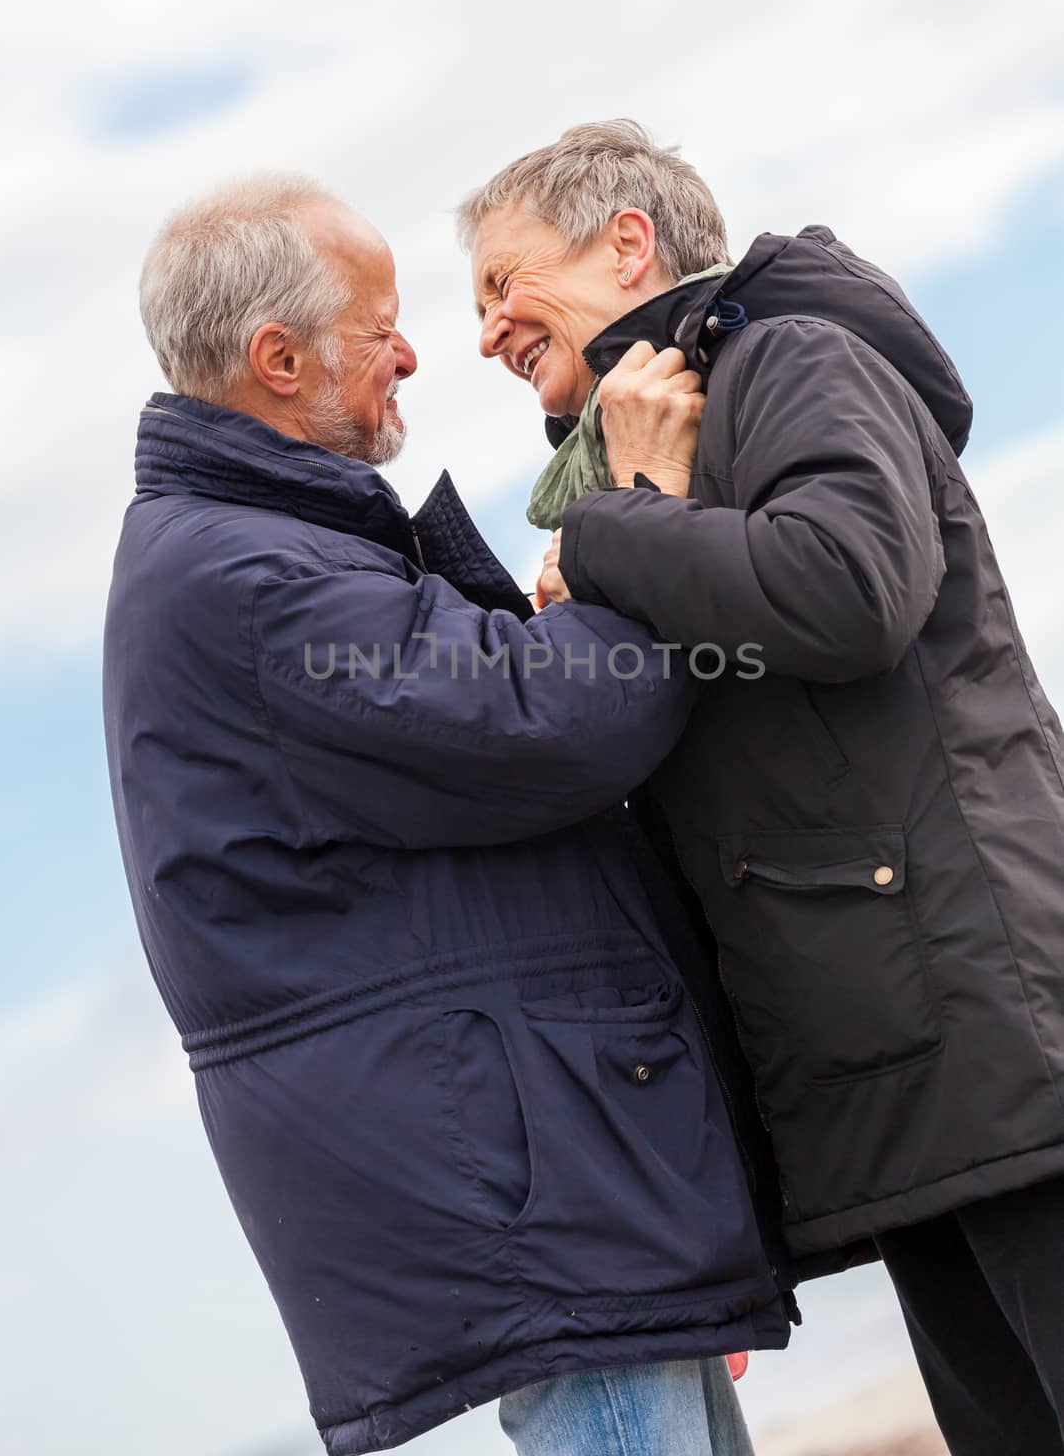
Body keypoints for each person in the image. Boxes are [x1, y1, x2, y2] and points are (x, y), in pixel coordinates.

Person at [103, 174, 790, 1456]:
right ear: (277, 357)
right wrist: (637, 505)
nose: (416, 352)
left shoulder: (253, 548)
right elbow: (560, 723)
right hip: (532, 1183)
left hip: (550, 1162)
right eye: (381, 329)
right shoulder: (248, 575)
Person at [461, 120, 1064, 1455]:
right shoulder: (645, 461)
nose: (487, 328)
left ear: (625, 243)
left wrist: (618, 531)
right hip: (887, 1068)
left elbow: (847, 596)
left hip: (990, 1038)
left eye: (503, 282)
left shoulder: (788, 360)